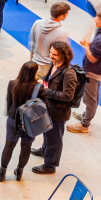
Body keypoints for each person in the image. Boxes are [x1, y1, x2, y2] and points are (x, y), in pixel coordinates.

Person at [69, 11, 101, 134]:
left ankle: (84, 125)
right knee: (94, 95)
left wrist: (86, 46)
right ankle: (87, 115)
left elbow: (92, 58)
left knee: (90, 99)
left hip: (92, 72)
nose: (95, 20)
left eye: (98, 20)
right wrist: (90, 42)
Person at [32, 41, 77, 175]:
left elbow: (68, 96)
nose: (51, 56)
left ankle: (50, 165)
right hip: (49, 107)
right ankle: (44, 150)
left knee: (54, 139)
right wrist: (42, 80)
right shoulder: (54, 64)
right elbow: (49, 79)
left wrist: (47, 91)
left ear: (64, 55)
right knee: (47, 132)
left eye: (55, 54)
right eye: (51, 53)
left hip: (58, 112)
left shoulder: (69, 74)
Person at [0, 62, 46, 182]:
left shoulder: (12, 84)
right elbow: (45, 107)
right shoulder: (38, 88)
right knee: (26, 147)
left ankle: (2, 171)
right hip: (30, 123)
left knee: (9, 146)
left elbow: (9, 102)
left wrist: (10, 114)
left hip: (14, 120)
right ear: (35, 73)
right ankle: (19, 171)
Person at [28, 2, 70, 78]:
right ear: (61, 16)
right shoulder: (61, 32)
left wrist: (31, 61)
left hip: (34, 62)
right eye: (66, 13)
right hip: (48, 67)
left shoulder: (37, 23)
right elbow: (60, 54)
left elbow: (32, 43)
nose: (67, 14)